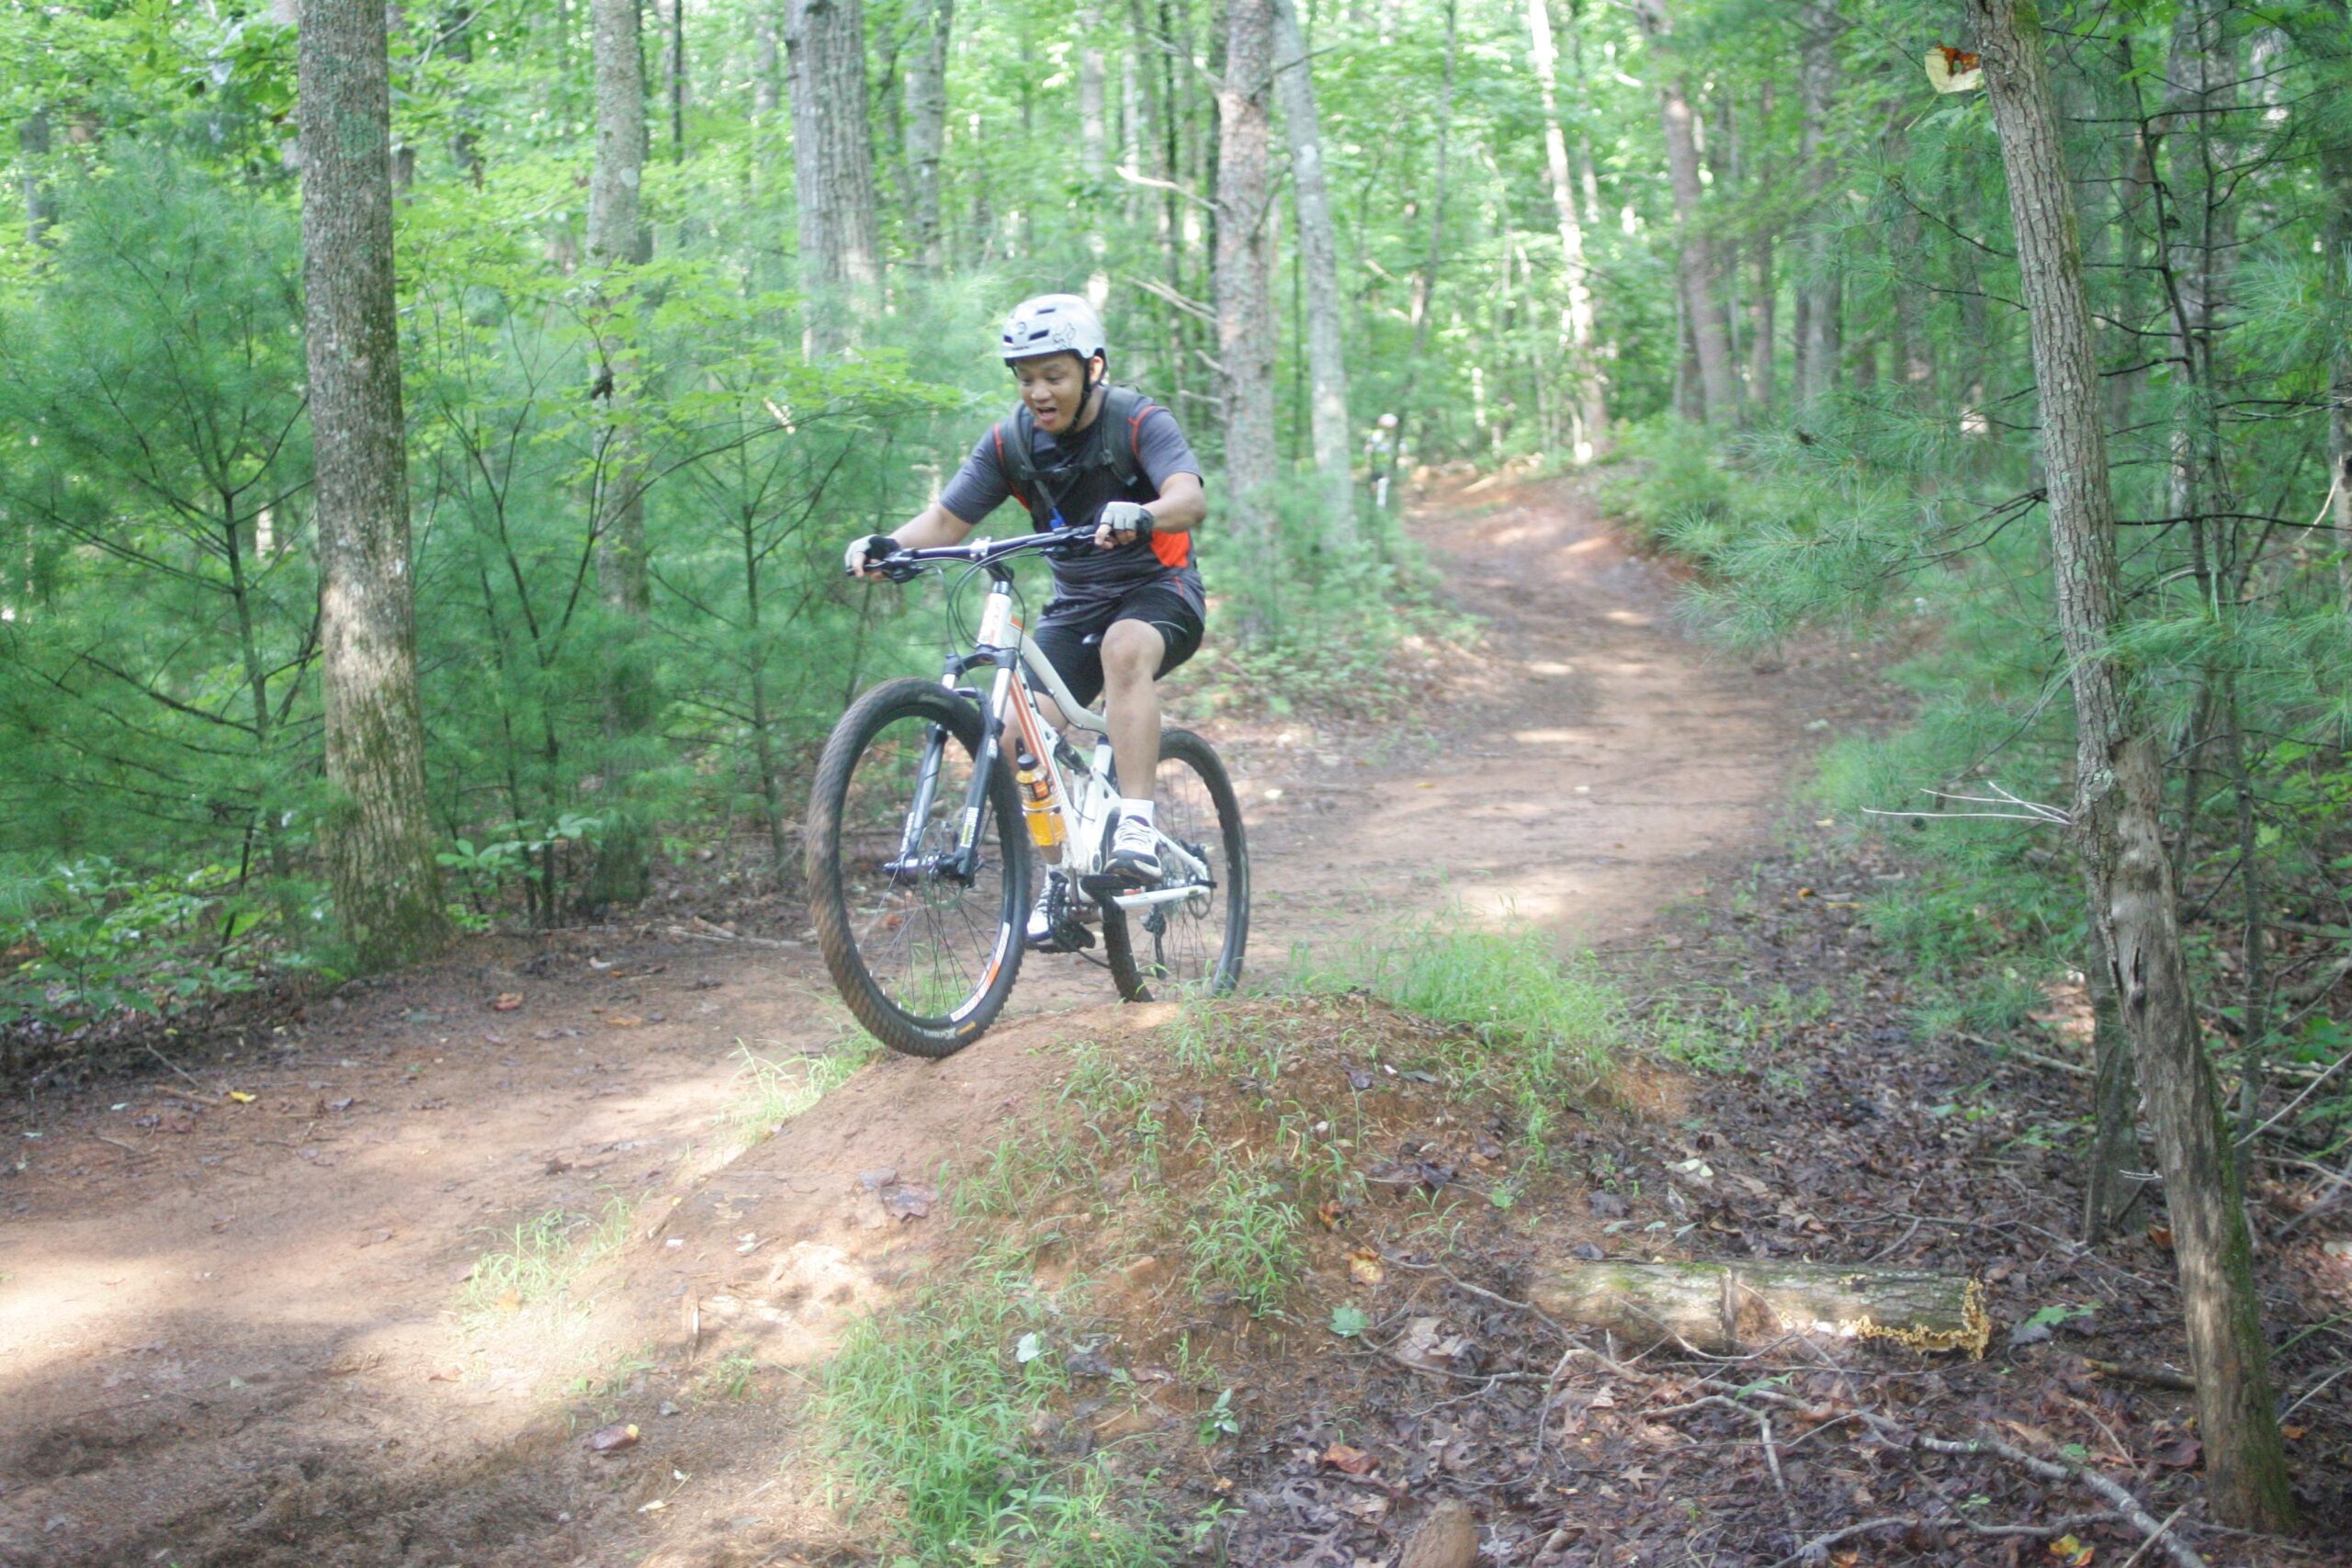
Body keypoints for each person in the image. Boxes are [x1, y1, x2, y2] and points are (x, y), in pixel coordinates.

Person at [844, 294, 1208, 949]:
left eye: (1054, 376)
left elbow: (1188, 495)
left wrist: (1144, 512)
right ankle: (1060, 882)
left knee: (1125, 649)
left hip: (1161, 590)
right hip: (1076, 605)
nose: (1038, 391)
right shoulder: (1011, 442)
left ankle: (1135, 823)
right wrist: (889, 547)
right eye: (1025, 377)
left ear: (1092, 368)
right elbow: (948, 521)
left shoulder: (1137, 420)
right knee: (1015, 731)